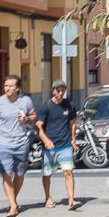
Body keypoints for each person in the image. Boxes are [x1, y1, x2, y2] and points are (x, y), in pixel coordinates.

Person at [0, 75, 35, 217]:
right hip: (3, 144)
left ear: (17, 88)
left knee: (19, 174)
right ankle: (12, 205)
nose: (7, 88)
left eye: (10, 86)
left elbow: (33, 116)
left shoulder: (26, 101)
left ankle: (13, 200)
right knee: (7, 174)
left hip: (22, 143)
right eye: (5, 85)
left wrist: (27, 119)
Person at [37, 79, 80, 210]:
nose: (60, 93)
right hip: (49, 147)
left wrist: (73, 140)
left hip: (65, 145)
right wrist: (46, 140)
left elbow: (72, 123)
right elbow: (39, 126)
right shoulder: (46, 106)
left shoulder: (69, 105)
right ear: (53, 91)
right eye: (58, 90)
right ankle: (47, 197)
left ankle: (71, 200)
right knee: (47, 174)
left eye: (63, 90)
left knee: (68, 172)